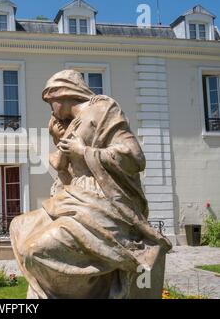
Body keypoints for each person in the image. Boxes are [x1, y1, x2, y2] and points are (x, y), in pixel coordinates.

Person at [10, 69, 172, 299]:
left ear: (63, 93)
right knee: (19, 226)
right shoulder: (72, 125)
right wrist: (61, 159)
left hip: (102, 200)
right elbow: (67, 180)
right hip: (74, 198)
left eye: (51, 103)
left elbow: (135, 157)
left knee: (35, 250)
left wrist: (83, 151)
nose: (51, 111)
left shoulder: (103, 108)